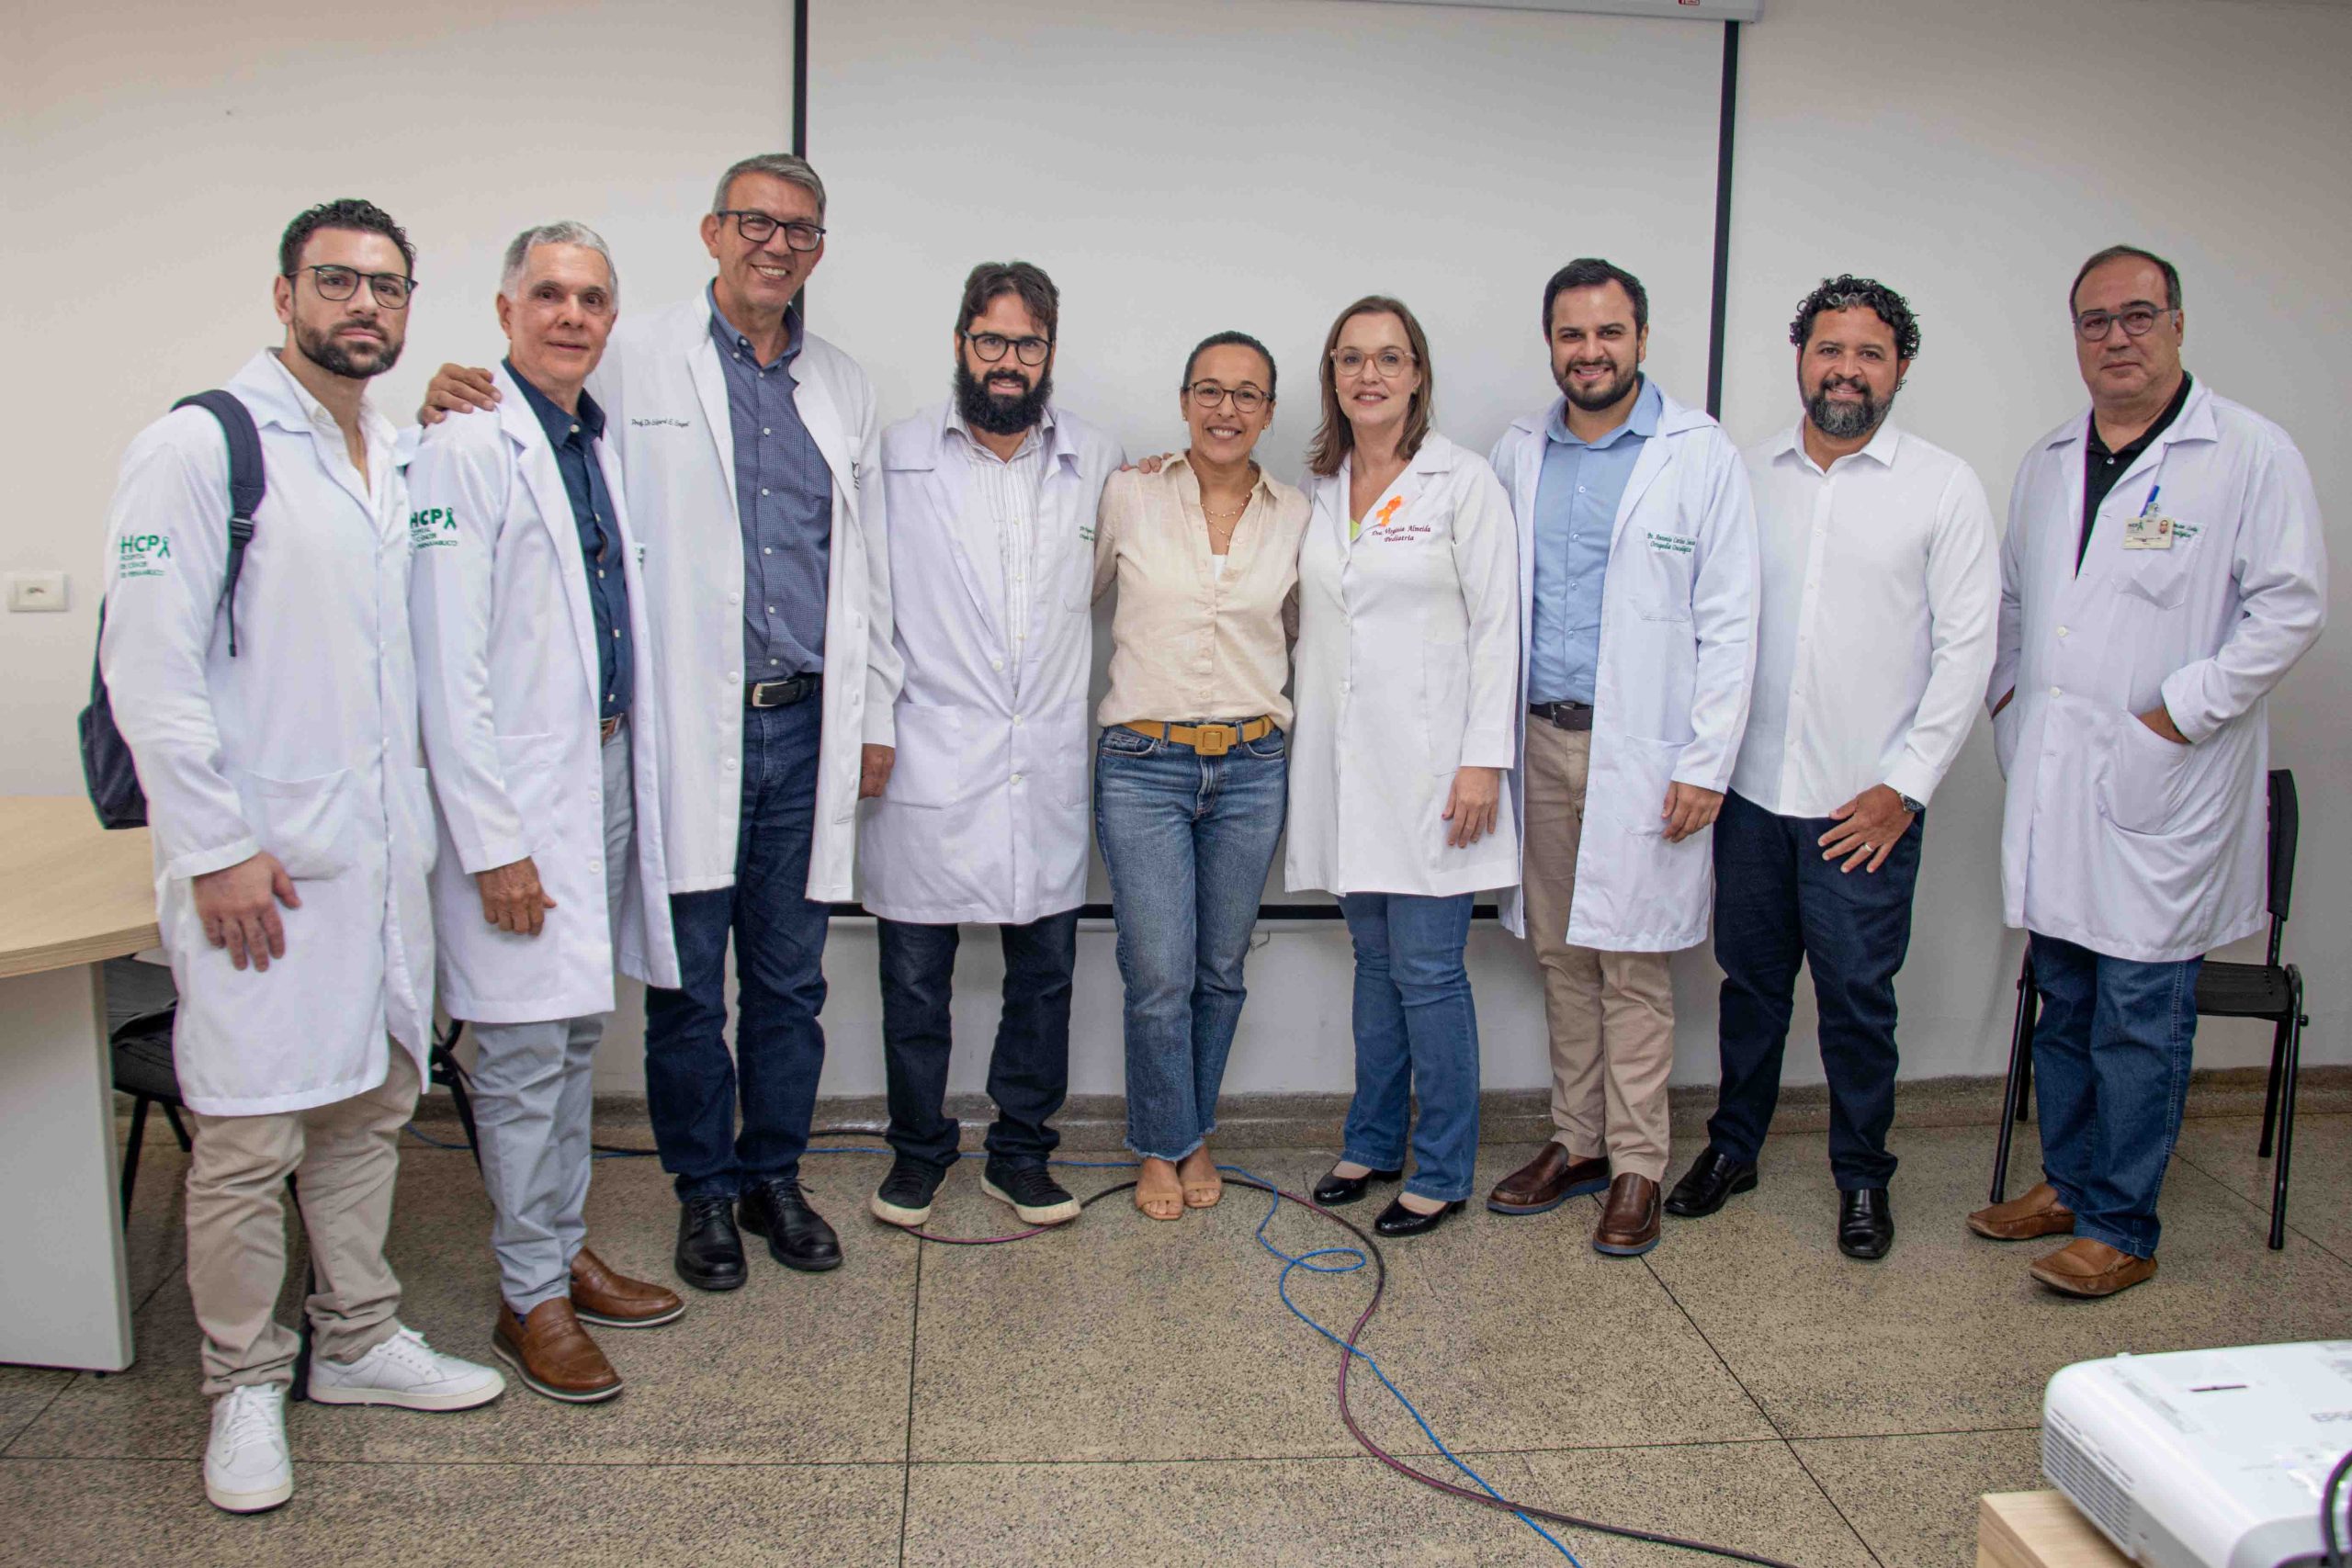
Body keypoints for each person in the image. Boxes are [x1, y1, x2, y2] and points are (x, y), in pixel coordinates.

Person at [423, 153, 900, 1289]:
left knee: (789, 982)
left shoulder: (841, 385)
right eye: (754, 223)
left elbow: (868, 566)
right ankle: (704, 1192)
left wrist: (873, 711)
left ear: (818, 250)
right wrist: (443, 395)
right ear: (712, 232)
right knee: (687, 988)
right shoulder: (629, 356)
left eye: (799, 229)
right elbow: (526, 442)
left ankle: (774, 1176)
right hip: (687, 730)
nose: (775, 245)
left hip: (804, 730)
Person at [99, 199, 503, 1515]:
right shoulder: (198, 446)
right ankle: (241, 1378)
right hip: (258, 871)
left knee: (370, 1103)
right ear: (284, 295)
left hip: (375, 864)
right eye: (337, 281)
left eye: (386, 286)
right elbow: (147, 669)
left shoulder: (394, 452)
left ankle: (358, 1337)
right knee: (246, 1136)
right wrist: (215, 848)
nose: (363, 306)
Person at [1966, 245, 2325, 1298]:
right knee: (2066, 1000)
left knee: (2137, 1011)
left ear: (2175, 323)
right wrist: (2008, 705)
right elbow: (2015, 605)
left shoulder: (2246, 454)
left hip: (2161, 782)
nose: (2115, 337)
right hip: (2059, 783)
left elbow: (2290, 607)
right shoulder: (2048, 460)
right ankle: (2069, 1185)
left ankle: (2120, 1224)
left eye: (2136, 315)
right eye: (2094, 321)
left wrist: (2179, 713)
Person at [409, 222, 686, 1404]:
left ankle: (561, 1250)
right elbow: (444, 663)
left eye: (593, 299)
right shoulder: (465, 444)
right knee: (524, 1054)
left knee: (573, 1038)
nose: (572, 315)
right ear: (506, 310)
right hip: (520, 800)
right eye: (551, 295)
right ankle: (528, 1296)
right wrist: (494, 845)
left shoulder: (586, 440)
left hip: (599, 773)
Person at [1666, 276, 1997, 1261]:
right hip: (1751, 795)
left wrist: (1905, 790)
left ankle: (1862, 1177)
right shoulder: (1743, 474)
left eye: (1868, 353)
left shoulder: (1943, 486)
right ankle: (1734, 1149)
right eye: (1829, 350)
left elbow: (1967, 653)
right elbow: (1703, 625)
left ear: (1900, 367)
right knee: (1749, 990)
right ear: (1800, 357)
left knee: (1857, 1003)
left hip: (1865, 808)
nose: (1846, 370)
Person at [1485, 258, 1759, 1258]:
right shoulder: (1520, 452)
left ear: (1641, 338)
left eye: (1609, 332)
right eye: (1572, 334)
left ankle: (1639, 1160)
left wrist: (1706, 763)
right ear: (1550, 343)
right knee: (1562, 954)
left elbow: (1732, 620)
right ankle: (1579, 1141)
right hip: (1537, 737)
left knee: (1633, 961)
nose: (1590, 352)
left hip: (1641, 747)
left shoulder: (1699, 454)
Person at [859, 261, 1123, 1229]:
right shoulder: (895, 455)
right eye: (991, 341)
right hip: (924, 754)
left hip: (1040, 758)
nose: (1008, 362)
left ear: (1049, 351)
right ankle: (918, 1150)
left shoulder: (1097, 458)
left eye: (1028, 344)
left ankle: (1020, 1152)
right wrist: (871, 724)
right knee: (914, 980)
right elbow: (866, 602)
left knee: (1043, 978)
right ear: (961, 342)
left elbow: (1115, 565)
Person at [1288, 297, 1519, 1238]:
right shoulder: (1318, 487)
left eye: (1389, 357)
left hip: (1435, 775)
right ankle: (1374, 1139)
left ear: (1418, 373)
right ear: (1333, 377)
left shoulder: (1462, 483)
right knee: (1375, 965)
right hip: (1348, 773)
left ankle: (1443, 1166)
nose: (1369, 375)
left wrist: (1483, 762)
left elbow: (1499, 627)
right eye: (1350, 359)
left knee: (1427, 971)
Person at [1092, 331, 1311, 1221]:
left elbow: (1307, 632)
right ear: (1184, 401)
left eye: (1247, 394)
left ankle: (1191, 1131)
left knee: (1220, 969)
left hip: (1252, 769)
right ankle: (1163, 1143)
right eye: (1210, 391)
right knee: (1158, 974)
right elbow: (1064, 597)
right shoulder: (1128, 494)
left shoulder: (1297, 515)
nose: (1227, 409)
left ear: (1269, 411)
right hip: (1143, 767)